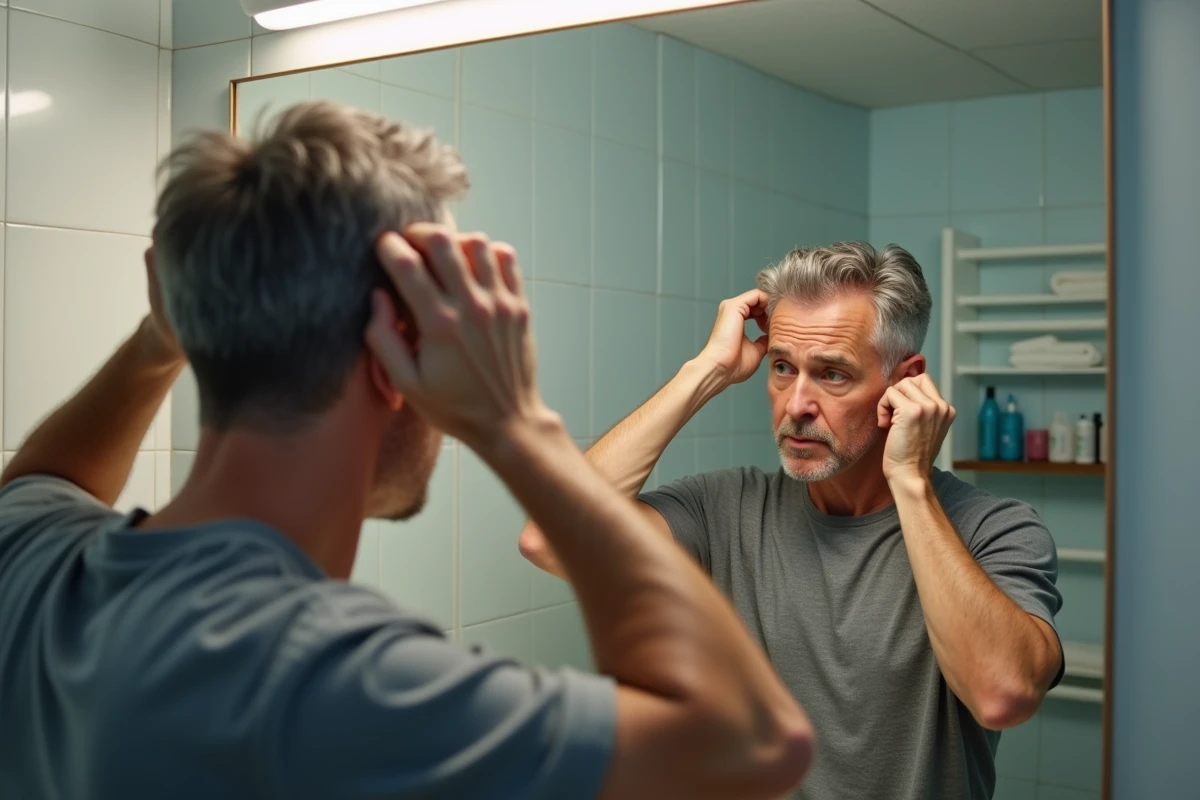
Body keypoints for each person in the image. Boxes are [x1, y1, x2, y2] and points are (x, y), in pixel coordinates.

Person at [0, 101, 814, 800]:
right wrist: (513, 420)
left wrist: (161, 335)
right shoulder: (331, 681)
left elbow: (42, 477)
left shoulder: (36, 567)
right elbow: (754, 742)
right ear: (400, 355)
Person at [520, 241, 1065, 800]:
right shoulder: (725, 511)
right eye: (782, 368)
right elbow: (549, 541)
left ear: (905, 381)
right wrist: (705, 372)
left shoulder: (993, 529)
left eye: (832, 374)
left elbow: (1002, 694)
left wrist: (911, 482)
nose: (796, 404)